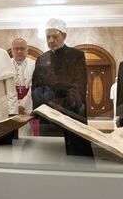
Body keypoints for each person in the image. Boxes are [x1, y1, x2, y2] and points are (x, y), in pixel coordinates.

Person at [32, 18, 92, 155]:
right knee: (48, 153)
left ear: (64, 36)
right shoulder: (41, 59)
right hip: (47, 115)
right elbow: (36, 86)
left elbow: (79, 85)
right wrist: (41, 108)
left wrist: (65, 106)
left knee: (75, 154)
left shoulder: (77, 55)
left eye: (55, 36)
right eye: (48, 37)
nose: (51, 40)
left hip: (71, 113)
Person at [10, 38, 36, 136]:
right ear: (12, 50)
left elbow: (34, 86)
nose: (19, 51)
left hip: (28, 105)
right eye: (16, 49)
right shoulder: (6, 64)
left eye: (22, 48)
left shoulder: (34, 64)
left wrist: (23, 105)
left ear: (27, 50)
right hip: (11, 104)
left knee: (26, 134)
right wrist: (15, 105)